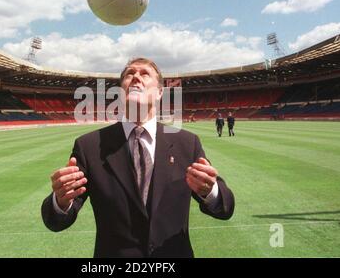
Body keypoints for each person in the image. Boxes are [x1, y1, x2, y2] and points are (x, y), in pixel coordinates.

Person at [41, 57, 235, 258]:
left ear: (160, 92)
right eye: (129, 74)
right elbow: (56, 221)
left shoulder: (187, 143)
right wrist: (60, 201)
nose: (136, 78)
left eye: (144, 74)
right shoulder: (89, 146)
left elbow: (224, 208)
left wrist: (210, 191)